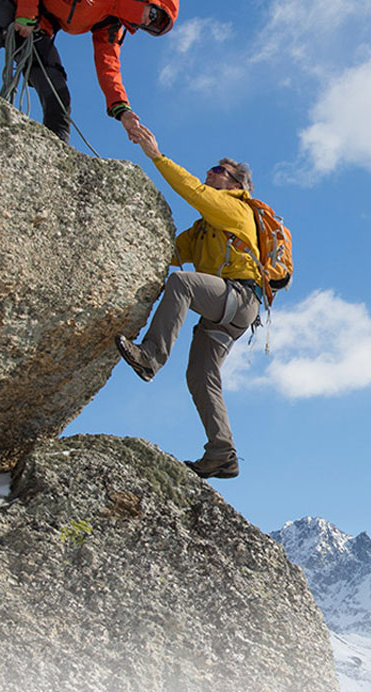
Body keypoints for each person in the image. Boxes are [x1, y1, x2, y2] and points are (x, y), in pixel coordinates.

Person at [115, 121, 264, 480]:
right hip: (227, 311)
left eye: (219, 171)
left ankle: (150, 356)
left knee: (182, 283)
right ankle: (222, 454)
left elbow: (195, 193)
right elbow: (167, 252)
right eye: (211, 169)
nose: (210, 173)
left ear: (236, 184)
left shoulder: (236, 208)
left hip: (239, 297)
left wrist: (157, 156)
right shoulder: (201, 230)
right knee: (201, 374)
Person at [0, 0, 178, 142]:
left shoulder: (111, 22)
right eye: (154, 16)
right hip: (15, 0)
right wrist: (25, 14)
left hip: (40, 26)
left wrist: (122, 110)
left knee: (57, 93)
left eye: (152, 27)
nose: (147, 22)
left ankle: (56, 154)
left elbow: (108, 65)